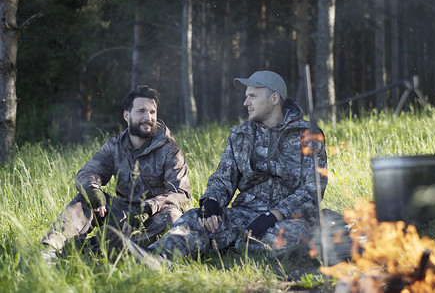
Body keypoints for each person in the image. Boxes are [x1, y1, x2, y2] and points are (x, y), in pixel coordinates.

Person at [133, 70, 327, 260]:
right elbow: (223, 178)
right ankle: (152, 257)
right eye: (246, 97)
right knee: (193, 219)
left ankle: (229, 244)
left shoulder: (307, 135)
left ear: (274, 98)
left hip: (289, 219)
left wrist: (275, 215)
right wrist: (211, 202)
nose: (246, 103)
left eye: (252, 96)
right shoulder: (241, 135)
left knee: (284, 237)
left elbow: (313, 189)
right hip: (245, 214)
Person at [42, 85, 191, 256]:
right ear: (126, 116)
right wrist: (93, 189)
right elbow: (87, 171)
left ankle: (96, 246)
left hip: (153, 218)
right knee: (86, 199)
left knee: (172, 218)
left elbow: (181, 193)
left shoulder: (171, 150)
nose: (148, 117)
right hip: (121, 215)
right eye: (141, 111)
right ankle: (51, 250)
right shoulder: (115, 146)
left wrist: (149, 207)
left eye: (152, 112)